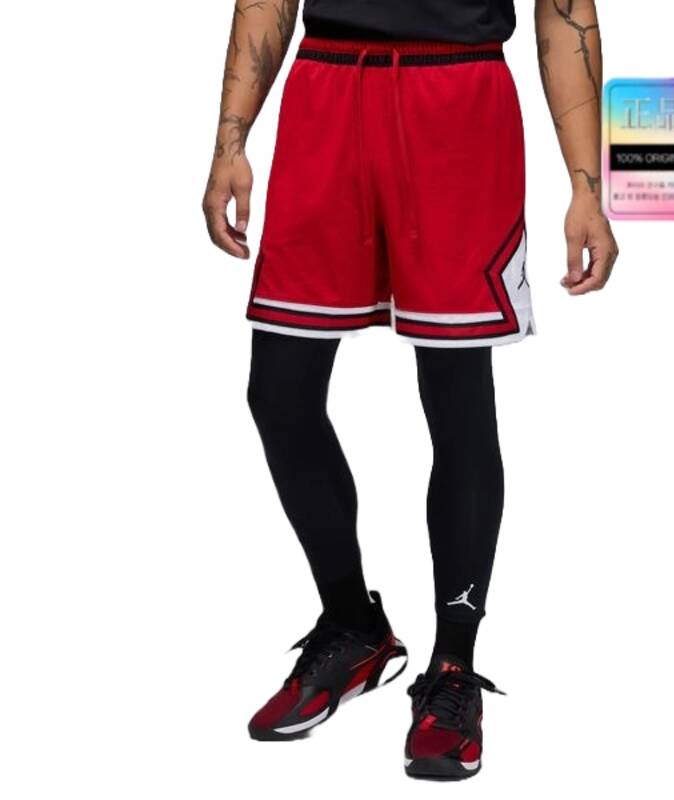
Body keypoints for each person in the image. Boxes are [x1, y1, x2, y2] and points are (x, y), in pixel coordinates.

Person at [202, 0, 618, 781]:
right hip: (326, 89)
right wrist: (231, 139)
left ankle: (452, 668)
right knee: (278, 392)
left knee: (456, 396)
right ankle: (353, 627)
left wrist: (586, 186)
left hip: (458, 98)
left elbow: (564, 11)